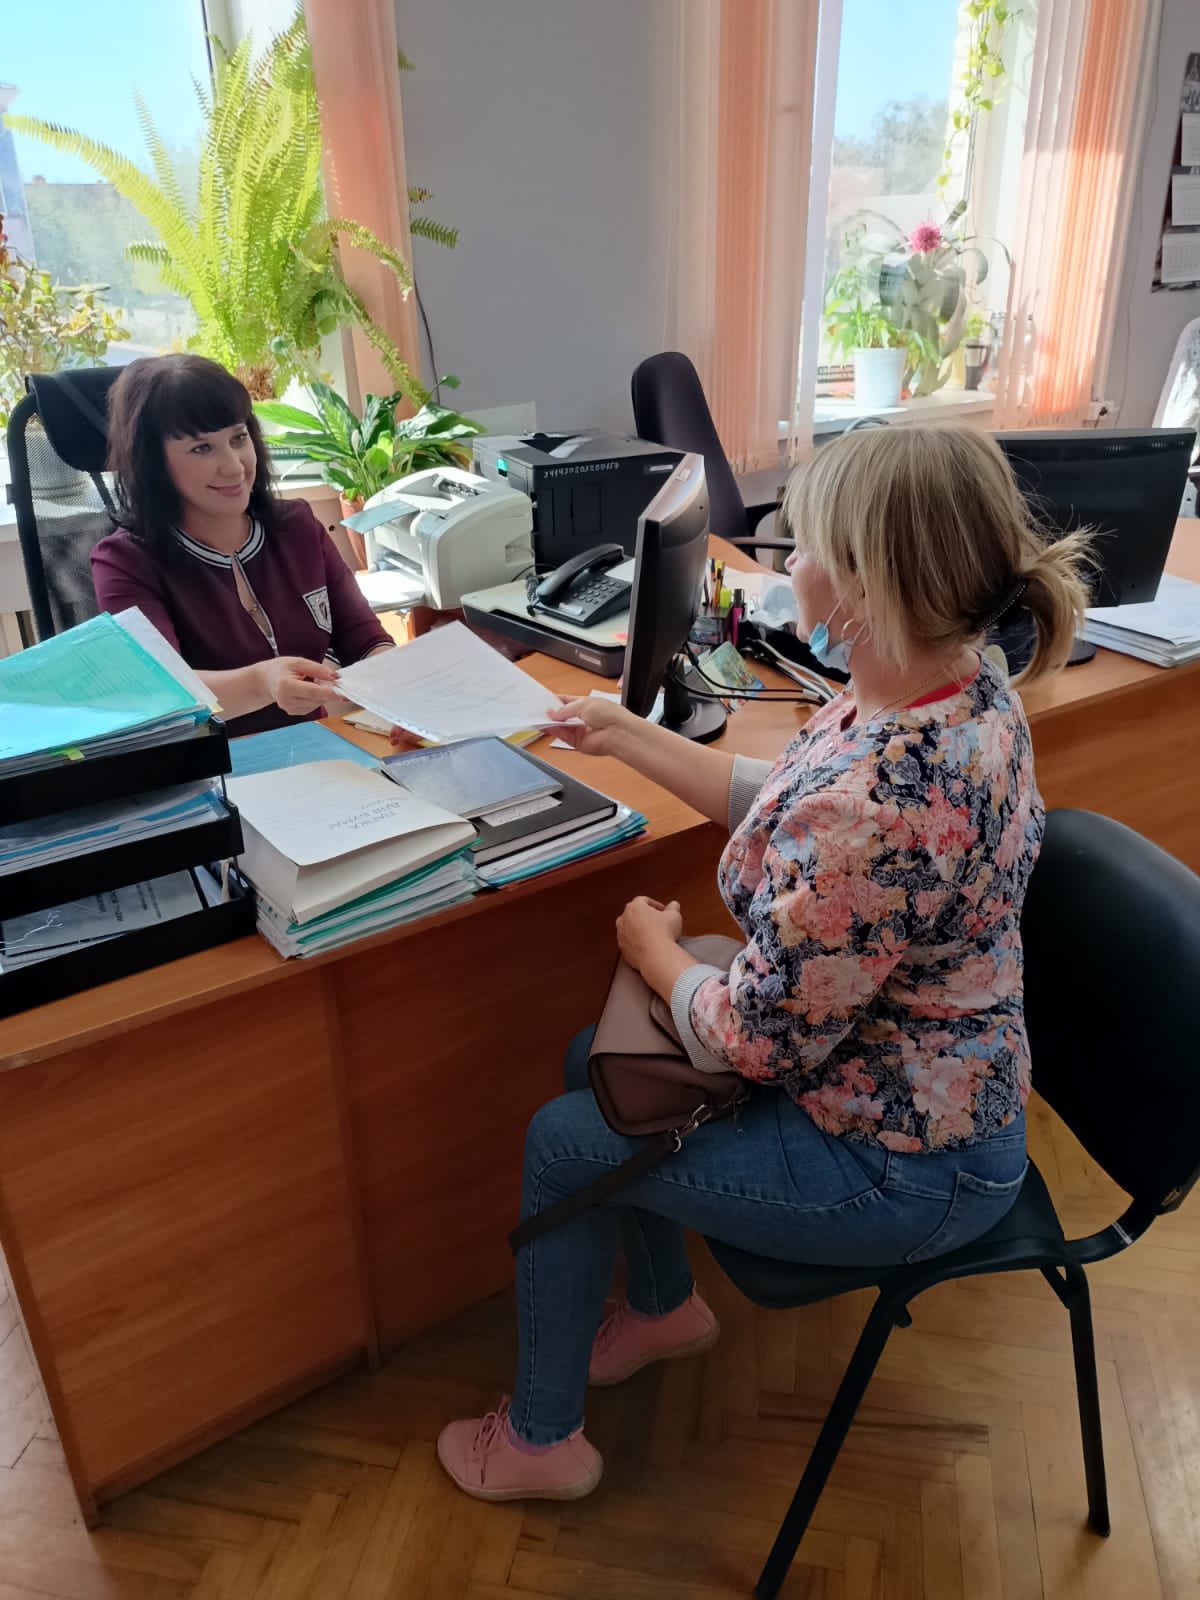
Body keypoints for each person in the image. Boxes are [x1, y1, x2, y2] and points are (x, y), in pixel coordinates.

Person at [436, 424, 1091, 1503]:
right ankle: (663, 1311)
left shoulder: (884, 799)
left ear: (869, 585)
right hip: (912, 1086)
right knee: (596, 1061)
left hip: (904, 1164)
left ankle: (541, 1445)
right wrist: (626, 733)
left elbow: (752, 1040)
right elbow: (791, 798)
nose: (790, 564)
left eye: (808, 543)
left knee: (564, 1144)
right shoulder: (950, 684)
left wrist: (653, 951)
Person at [92, 354, 395, 736]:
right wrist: (262, 683)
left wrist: (399, 692)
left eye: (238, 438)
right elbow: (164, 697)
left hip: (321, 749)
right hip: (210, 765)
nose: (234, 466)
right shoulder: (125, 562)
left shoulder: (298, 526)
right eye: (202, 448)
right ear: (152, 461)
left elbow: (367, 642)